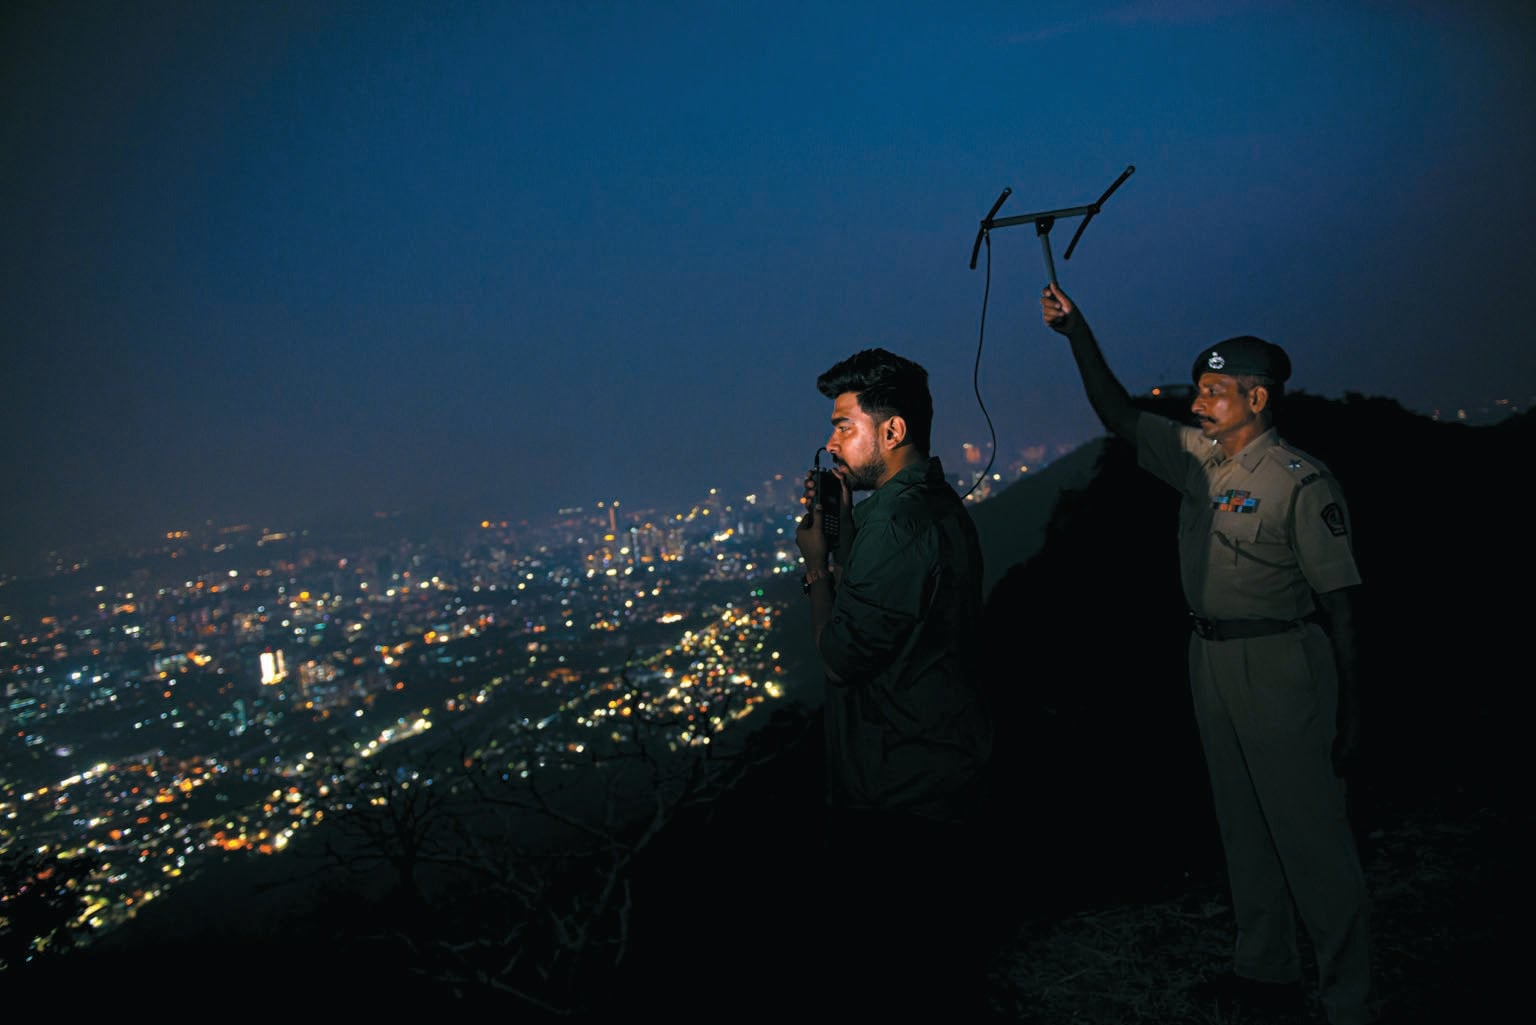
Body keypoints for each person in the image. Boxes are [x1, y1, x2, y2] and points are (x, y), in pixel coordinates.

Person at [1040, 282, 1375, 1025]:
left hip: (1283, 660)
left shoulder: (1299, 481)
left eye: (1217, 390)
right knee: (1242, 822)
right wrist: (1077, 332)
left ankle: (1351, 997)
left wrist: (1352, 712)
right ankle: (1266, 973)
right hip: (1211, 657)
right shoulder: (1198, 458)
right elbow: (1119, 415)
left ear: (1258, 399)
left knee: (1311, 834)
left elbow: (1342, 603)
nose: (1201, 399)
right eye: (1200, 386)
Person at [794, 347, 997, 1018]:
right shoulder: (933, 506)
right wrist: (848, 533)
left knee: (900, 976)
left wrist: (819, 564)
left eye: (844, 425)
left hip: (903, 789)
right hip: (938, 769)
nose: (830, 442)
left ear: (893, 431)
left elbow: (839, 655)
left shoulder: (899, 527)